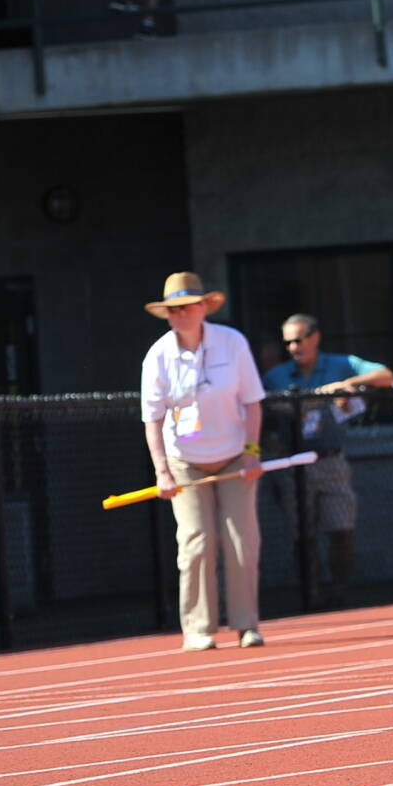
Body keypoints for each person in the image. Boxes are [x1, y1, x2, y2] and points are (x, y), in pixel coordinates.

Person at [138, 272, 267, 651]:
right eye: (173, 309)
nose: (180, 315)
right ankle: (197, 628)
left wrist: (251, 453)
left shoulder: (233, 343)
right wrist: (162, 470)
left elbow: (253, 403)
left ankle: (247, 624)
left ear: (203, 307)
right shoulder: (158, 356)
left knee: (242, 539)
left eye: (187, 307)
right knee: (197, 541)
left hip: (233, 457)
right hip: (185, 461)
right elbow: (153, 419)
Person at [263, 313, 393, 606]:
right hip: (293, 463)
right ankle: (310, 593)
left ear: (315, 338)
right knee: (302, 534)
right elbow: (266, 412)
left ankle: (339, 593)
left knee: (341, 527)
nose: (294, 347)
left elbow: (386, 376)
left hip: (331, 459)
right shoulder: (277, 376)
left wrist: (348, 384)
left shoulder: (340, 363)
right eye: (288, 343)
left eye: (299, 340)